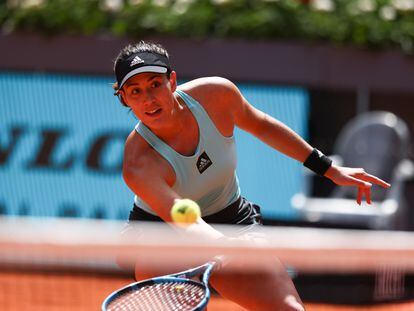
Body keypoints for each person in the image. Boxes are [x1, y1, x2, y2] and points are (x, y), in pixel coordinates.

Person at [112, 41, 390, 310]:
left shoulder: (216, 96)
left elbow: (262, 126)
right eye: (135, 91)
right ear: (124, 98)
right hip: (162, 238)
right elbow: (181, 216)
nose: (148, 99)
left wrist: (328, 169)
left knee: (290, 309)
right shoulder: (139, 162)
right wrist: (223, 246)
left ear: (172, 81)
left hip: (231, 221)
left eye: (155, 85)